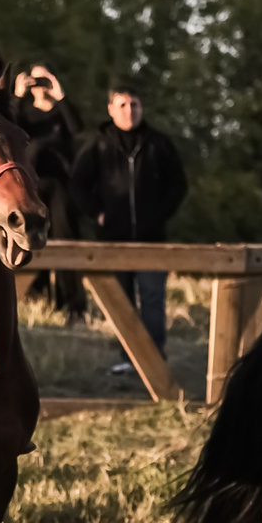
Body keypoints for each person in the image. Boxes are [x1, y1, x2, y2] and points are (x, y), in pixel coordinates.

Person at [71, 80, 188, 352]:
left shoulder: (158, 144)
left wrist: (160, 215)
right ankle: (127, 358)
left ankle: (154, 356)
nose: (129, 110)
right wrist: (97, 213)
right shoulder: (97, 145)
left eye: (134, 104)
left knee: (152, 298)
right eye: (122, 105)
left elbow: (178, 185)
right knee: (121, 302)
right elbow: (77, 183)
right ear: (110, 109)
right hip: (113, 238)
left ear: (142, 107)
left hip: (152, 239)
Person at [12, 60, 85, 314]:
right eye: (36, 80)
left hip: (60, 185)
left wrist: (60, 95)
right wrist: (19, 95)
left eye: (44, 80)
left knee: (65, 238)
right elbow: (10, 125)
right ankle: (35, 297)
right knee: (31, 238)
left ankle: (71, 303)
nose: (40, 86)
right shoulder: (25, 114)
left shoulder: (61, 114)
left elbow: (77, 128)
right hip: (31, 185)